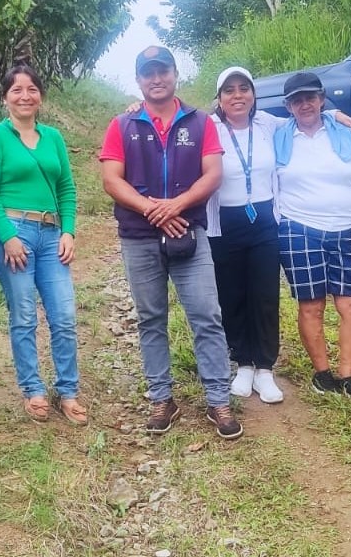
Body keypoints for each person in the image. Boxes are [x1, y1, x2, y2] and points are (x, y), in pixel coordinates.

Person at [100, 45, 242, 440]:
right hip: (139, 236)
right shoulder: (122, 125)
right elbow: (111, 180)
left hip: (189, 232)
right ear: (139, 80)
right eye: (148, 73)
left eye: (163, 71)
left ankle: (218, 400)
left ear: (175, 74)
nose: (156, 79)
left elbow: (213, 174)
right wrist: (153, 209)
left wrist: (176, 205)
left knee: (207, 316)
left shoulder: (200, 122)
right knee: (150, 318)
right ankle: (162, 398)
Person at [0, 64, 86, 425]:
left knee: (64, 316)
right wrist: (7, 236)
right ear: (5, 98)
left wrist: (68, 231)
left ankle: (68, 391)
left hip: (52, 233)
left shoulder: (52, 137)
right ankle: (33, 389)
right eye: (16, 90)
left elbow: (66, 188)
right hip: (15, 231)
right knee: (24, 315)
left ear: (41, 96)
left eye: (32, 89)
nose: (25, 96)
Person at [275, 72, 351, 407]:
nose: (304, 104)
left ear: (321, 99)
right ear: (288, 106)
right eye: (297, 100)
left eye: (311, 98)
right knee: (312, 304)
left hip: (347, 227)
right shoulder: (277, 135)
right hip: (298, 228)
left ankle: (348, 377)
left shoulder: (346, 134)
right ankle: (322, 374)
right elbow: (232, 117)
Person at [204, 67, 284, 404]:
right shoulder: (208, 127)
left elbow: (303, 118)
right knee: (231, 294)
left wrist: (333, 113)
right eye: (229, 90)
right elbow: (172, 117)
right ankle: (244, 364)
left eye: (244, 88)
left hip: (264, 219)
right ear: (219, 98)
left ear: (253, 94)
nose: (237, 96)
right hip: (224, 222)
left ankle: (265, 368)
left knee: (265, 293)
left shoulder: (267, 124)